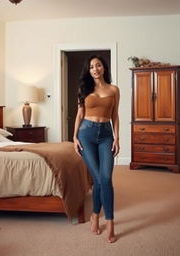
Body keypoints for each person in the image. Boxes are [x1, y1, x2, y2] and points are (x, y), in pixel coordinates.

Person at [73, 55, 120, 243]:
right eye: (92, 66)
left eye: (98, 65)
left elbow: (115, 115)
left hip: (106, 135)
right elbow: (79, 114)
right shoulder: (84, 89)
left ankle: (108, 222)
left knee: (106, 178)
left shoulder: (114, 89)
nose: (95, 69)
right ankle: (97, 216)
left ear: (104, 68)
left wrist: (117, 138)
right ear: (89, 70)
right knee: (99, 179)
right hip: (86, 134)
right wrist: (74, 137)